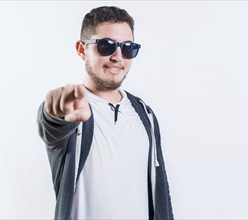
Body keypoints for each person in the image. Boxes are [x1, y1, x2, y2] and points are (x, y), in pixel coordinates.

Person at [37, 6, 174, 220]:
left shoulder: (145, 115)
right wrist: (55, 112)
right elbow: (53, 124)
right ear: (82, 50)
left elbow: (161, 191)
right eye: (106, 45)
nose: (118, 56)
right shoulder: (73, 107)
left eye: (128, 48)